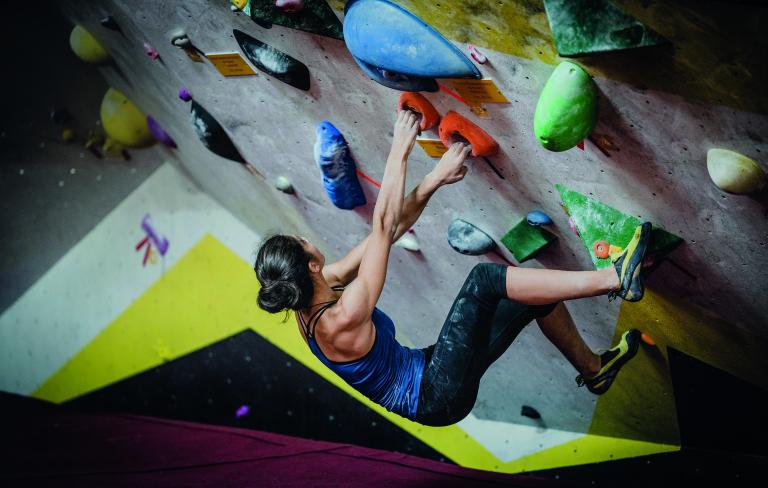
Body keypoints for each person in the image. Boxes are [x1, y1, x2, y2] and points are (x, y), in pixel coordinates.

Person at [254, 110, 650, 427]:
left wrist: (434, 181)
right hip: (436, 395)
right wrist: (400, 148)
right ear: (309, 264)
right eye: (300, 242)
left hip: (431, 369)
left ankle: (596, 370)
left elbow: (390, 232)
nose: (307, 239)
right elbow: (383, 224)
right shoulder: (340, 318)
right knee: (485, 281)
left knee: (531, 297)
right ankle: (615, 278)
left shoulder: (323, 285)